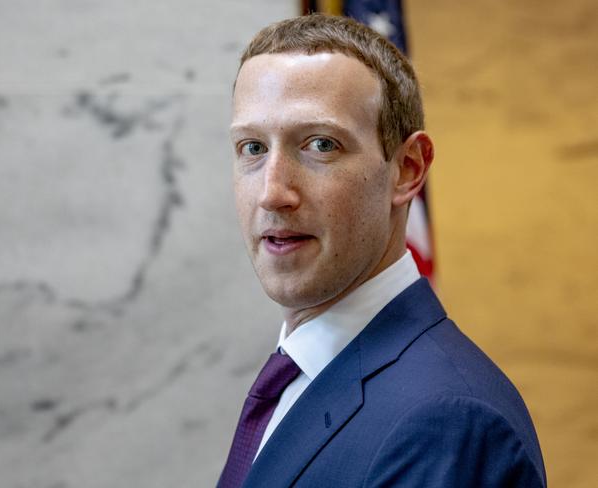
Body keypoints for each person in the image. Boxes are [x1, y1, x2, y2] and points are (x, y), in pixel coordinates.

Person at [218, 14, 546, 488]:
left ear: (407, 169)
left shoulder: (447, 422)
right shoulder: (296, 377)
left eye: (320, 144)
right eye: (252, 147)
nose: (272, 193)